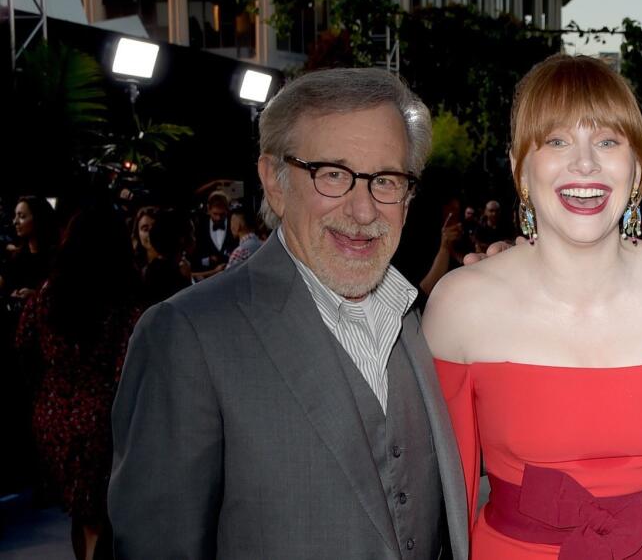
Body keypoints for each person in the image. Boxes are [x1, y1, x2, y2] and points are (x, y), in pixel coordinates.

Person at [109, 68, 470, 559]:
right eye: (333, 174)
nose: (363, 210)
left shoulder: (420, 321)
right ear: (273, 184)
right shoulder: (186, 337)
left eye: (385, 180)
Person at [425, 54, 642, 559]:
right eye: (557, 141)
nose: (584, 163)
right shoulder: (459, 305)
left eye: (607, 141)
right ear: (521, 167)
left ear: (638, 169)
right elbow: (435, 494)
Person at [16, 206, 141, 560]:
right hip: (105, 420)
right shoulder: (123, 300)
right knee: (103, 516)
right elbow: (125, 366)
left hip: (53, 417)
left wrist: (49, 391)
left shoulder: (46, 294)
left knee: (81, 514)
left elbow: (24, 347)